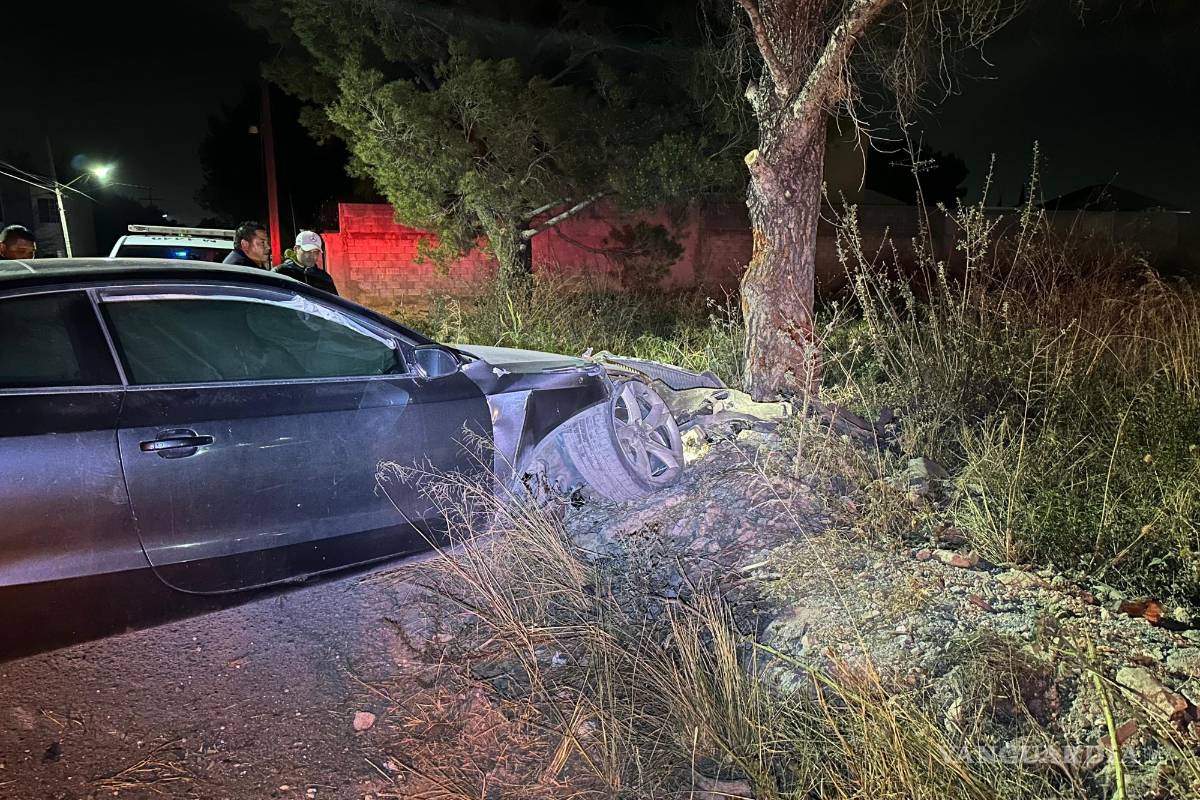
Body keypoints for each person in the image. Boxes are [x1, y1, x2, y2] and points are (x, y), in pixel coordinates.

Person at [275, 230, 338, 295]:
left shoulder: (324, 278)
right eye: (307, 251)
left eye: (315, 252)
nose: (312, 256)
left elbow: (334, 303)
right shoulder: (280, 272)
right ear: (296, 249)